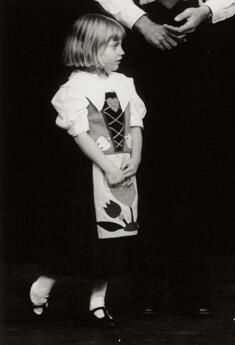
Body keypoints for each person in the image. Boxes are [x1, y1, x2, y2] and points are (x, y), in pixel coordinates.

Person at [94, 0, 235, 317]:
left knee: (195, 171)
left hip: (197, 33)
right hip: (141, 35)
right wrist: (140, 21)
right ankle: (147, 288)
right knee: (143, 165)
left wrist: (206, 11)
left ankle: (193, 289)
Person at [29, 14, 146, 328]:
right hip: (90, 174)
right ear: (92, 48)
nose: (121, 51)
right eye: (114, 44)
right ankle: (41, 288)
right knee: (79, 238)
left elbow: (135, 125)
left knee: (113, 240)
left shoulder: (123, 84)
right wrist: (106, 166)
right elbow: (80, 133)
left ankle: (98, 302)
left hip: (121, 171)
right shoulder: (75, 88)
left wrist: (134, 159)